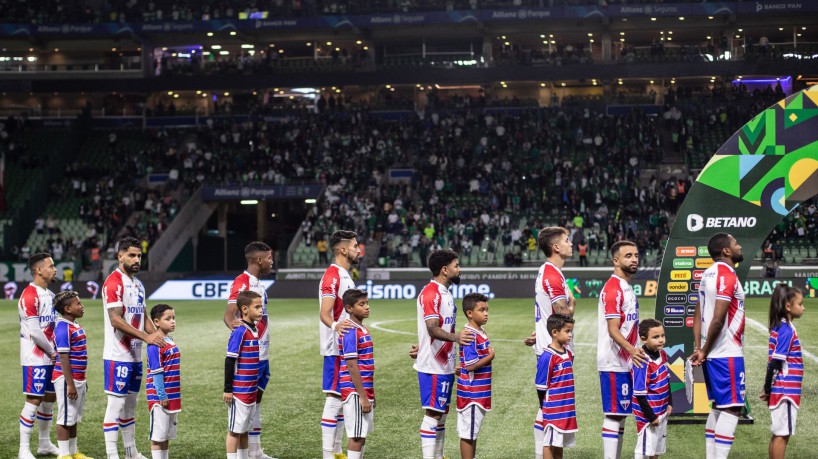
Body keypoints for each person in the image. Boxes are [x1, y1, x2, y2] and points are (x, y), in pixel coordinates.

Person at [102, 237, 166, 459]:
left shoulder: (138, 284)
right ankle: (112, 455)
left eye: (139, 255)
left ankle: (130, 452)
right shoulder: (114, 283)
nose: (137, 259)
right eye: (131, 255)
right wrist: (146, 337)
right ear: (120, 256)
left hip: (135, 356)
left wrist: (157, 336)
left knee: (131, 405)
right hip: (117, 355)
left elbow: (143, 314)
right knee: (116, 405)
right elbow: (115, 320)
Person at [689, 233, 746, 459]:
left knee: (718, 407)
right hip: (726, 353)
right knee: (732, 408)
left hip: (713, 353)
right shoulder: (726, 274)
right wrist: (704, 349)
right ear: (726, 251)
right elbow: (718, 318)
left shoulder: (707, 274)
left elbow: (698, 312)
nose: (739, 245)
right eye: (736, 243)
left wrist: (699, 347)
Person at [416, 249, 474, 459]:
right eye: (456, 265)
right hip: (433, 366)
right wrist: (457, 338)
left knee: (441, 415)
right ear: (444, 269)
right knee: (433, 414)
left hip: (444, 364)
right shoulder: (431, 293)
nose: (459, 269)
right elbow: (432, 328)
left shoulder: (445, 292)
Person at [525, 226, 574, 459]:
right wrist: (572, 304)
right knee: (550, 411)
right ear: (556, 247)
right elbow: (563, 315)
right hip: (553, 350)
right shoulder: (553, 274)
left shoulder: (549, 271)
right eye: (567, 240)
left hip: (548, 344)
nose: (571, 243)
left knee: (546, 409)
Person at [223, 242, 274, 459]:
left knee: (255, 405)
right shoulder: (242, 282)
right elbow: (229, 314)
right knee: (244, 408)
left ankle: (255, 451)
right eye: (270, 258)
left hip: (262, 355)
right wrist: (236, 329)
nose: (272, 262)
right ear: (259, 260)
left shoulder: (259, 284)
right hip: (249, 359)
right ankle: (249, 452)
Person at [597, 241, 647, 459]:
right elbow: (613, 329)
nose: (634, 259)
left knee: (621, 414)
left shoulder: (626, 287)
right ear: (616, 261)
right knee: (615, 414)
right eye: (628, 255)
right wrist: (632, 350)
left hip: (625, 361)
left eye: (636, 255)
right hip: (614, 361)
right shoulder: (613, 288)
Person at [318, 230, 360, 459]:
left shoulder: (344, 274)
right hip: (335, 348)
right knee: (334, 398)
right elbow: (325, 312)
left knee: (343, 397)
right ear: (343, 249)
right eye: (355, 245)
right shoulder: (332, 276)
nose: (358, 249)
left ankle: (337, 451)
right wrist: (336, 327)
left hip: (345, 348)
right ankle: (328, 454)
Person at [18, 252, 60, 459]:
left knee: (49, 398)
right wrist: (53, 352)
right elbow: (35, 331)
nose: (55, 269)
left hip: (51, 357)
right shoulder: (29, 295)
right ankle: (23, 449)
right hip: (35, 357)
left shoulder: (51, 296)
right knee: (34, 399)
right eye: (51, 266)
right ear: (38, 270)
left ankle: (44, 444)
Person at [761, 284, 805, 459]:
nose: (803, 307)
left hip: (781, 390)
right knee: (782, 435)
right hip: (785, 391)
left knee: (778, 433)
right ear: (788, 306)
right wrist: (768, 388)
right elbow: (776, 363)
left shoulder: (781, 327)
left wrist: (768, 388)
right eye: (800, 304)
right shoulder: (786, 330)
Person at [52, 290, 92, 459]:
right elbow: (63, 356)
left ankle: (73, 451)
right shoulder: (63, 328)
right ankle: (63, 454)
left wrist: (82, 380)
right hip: (67, 379)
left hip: (78, 379)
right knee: (64, 416)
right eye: (78, 304)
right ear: (67, 309)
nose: (82, 306)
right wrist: (70, 384)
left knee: (73, 416)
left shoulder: (74, 325)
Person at [224, 291, 264, 459]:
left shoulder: (253, 329)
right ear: (245, 309)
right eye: (257, 307)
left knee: (245, 429)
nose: (261, 310)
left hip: (251, 392)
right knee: (234, 430)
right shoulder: (240, 331)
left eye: (261, 306)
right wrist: (228, 389)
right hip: (239, 392)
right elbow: (229, 361)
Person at [338, 289, 375, 459]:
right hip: (354, 391)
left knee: (362, 434)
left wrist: (369, 393)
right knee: (356, 436)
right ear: (349, 308)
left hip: (363, 389)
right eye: (361, 304)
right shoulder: (350, 330)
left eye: (367, 303)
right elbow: (352, 365)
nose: (367, 307)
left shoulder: (361, 328)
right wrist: (363, 396)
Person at [456, 293, 494, 459]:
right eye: (481, 310)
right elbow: (471, 365)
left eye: (487, 310)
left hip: (479, 393)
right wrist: (490, 356)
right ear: (469, 313)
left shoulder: (479, 331)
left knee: (472, 433)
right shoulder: (470, 334)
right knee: (468, 435)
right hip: (471, 394)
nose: (486, 313)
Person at [538, 313, 577, 459]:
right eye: (567, 331)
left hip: (566, 408)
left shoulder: (568, 354)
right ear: (554, 333)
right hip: (553, 409)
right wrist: (545, 408)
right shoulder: (547, 356)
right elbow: (541, 386)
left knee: (558, 443)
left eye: (571, 331)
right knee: (549, 442)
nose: (570, 335)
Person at [145, 304, 182, 459]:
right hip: (160, 397)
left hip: (172, 395)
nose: (172, 321)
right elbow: (156, 371)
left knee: (166, 435)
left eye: (173, 318)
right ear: (157, 322)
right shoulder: (155, 344)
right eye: (168, 318)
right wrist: (161, 395)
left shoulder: (169, 339)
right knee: (158, 436)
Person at [632, 319, 672, 459]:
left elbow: (667, 379)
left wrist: (669, 403)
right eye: (656, 337)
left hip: (661, 411)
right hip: (648, 415)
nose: (661, 340)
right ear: (644, 339)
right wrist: (651, 416)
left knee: (655, 450)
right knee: (643, 450)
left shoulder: (663, 354)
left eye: (662, 335)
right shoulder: (642, 360)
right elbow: (639, 394)